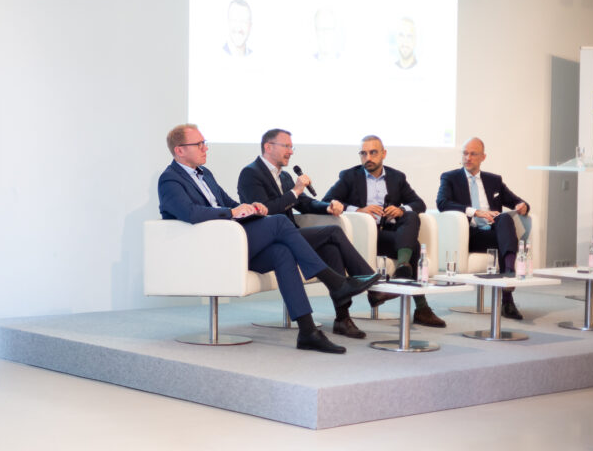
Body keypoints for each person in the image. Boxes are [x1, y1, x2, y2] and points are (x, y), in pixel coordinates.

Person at [157, 124, 381, 354]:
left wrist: (251, 208)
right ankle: (336, 283)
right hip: (213, 248)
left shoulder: (205, 174)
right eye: (199, 144)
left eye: (205, 143)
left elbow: (228, 203)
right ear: (179, 150)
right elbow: (190, 213)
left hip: (233, 242)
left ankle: (308, 332)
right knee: (280, 222)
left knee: (281, 253)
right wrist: (232, 212)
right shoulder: (170, 180)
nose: (205, 148)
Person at [237, 129, 398, 340]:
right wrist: (295, 191)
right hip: (271, 241)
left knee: (331, 248)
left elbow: (304, 203)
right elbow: (266, 211)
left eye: (291, 147)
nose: (290, 152)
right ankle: (373, 289)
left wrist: (327, 207)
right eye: (286, 146)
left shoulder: (284, 176)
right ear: (268, 147)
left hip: (292, 236)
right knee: (333, 232)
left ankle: (342, 319)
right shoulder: (251, 173)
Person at [323, 135, 447, 327]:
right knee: (413, 246)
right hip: (365, 235)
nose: (368, 158)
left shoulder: (397, 177)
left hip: (390, 234)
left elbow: (418, 203)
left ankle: (403, 268)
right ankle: (421, 307)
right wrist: (359, 210)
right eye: (363, 153)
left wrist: (400, 210)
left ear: (383, 154)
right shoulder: (349, 176)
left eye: (373, 153)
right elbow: (328, 202)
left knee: (411, 216)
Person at [436, 137, 531, 319]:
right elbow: (442, 203)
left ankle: (508, 273)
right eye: (465, 153)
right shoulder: (450, 178)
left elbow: (515, 201)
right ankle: (508, 295)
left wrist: (522, 206)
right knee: (506, 240)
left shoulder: (493, 180)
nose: (468, 158)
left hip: (493, 232)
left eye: (473, 154)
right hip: (470, 234)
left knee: (504, 218)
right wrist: (475, 212)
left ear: (483, 157)